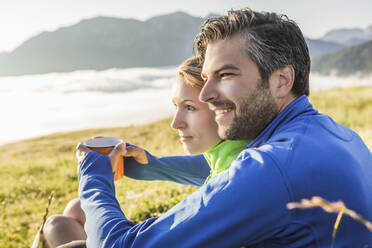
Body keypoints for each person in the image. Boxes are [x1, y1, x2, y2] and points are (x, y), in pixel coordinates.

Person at [76, 8, 372, 247]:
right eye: (207, 77)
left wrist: (93, 173)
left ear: (282, 81)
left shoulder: (271, 166)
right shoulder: (341, 135)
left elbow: (120, 245)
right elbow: (226, 173)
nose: (205, 95)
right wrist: (148, 166)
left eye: (226, 75)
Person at [32, 56, 248, 248]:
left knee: (56, 225)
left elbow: (115, 244)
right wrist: (144, 164)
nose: (175, 123)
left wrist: (92, 173)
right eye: (176, 106)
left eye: (189, 107)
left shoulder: (229, 189)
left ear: (223, 110)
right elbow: (206, 167)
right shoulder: (244, 156)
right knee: (76, 208)